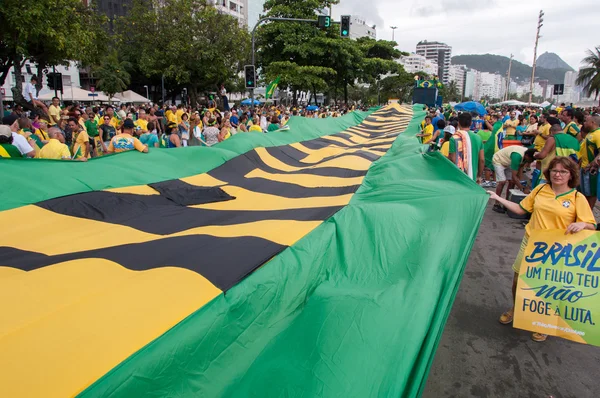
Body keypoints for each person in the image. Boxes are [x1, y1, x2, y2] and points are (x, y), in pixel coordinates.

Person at [488, 157, 596, 342]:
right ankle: (517, 309)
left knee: (549, 287)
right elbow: (522, 209)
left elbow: (591, 226)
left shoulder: (577, 197)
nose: (558, 174)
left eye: (563, 171)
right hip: (531, 243)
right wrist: (498, 198)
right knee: (518, 281)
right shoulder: (540, 189)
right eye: (554, 170)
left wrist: (582, 224)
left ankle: (544, 322)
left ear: (571, 175)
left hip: (557, 250)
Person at [491, 146, 536, 212]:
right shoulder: (517, 156)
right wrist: (522, 188)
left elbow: (520, 169)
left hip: (508, 161)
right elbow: (514, 176)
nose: (531, 161)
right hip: (499, 160)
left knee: (512, 182)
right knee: (502, 182)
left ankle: (507, 203)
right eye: (530, 160)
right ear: (526, 156)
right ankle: (496, 204)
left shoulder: (528, 154)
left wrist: (520, 183)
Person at [448, 112, 484, 182]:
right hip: (472, 178)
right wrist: (479, 175)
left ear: (458, 123)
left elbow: (452, 159)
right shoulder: (478, 138)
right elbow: (482, 160)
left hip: (458, 177)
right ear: (471, 123)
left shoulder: (454, 138)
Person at [580, 115, 600, 209]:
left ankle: (588, 213)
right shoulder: (590, 133)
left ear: (593, 122)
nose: (584, 123)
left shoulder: (598, 134)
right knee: (585, 192)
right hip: (584, 167)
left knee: (591, 192)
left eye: (586, 121)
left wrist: (591, 165)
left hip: (591, 170)